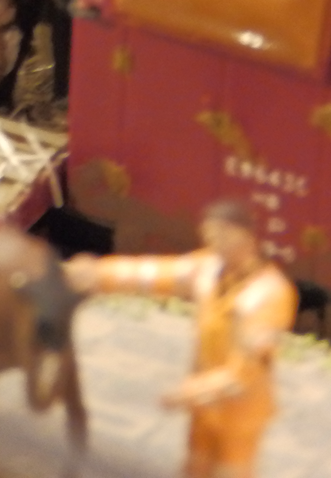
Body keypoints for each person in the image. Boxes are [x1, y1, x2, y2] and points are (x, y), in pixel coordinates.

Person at [63, 201, 298, 478]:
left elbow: (249, 369)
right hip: (204, 406)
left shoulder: (269, 294)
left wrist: (195, 390)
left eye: (223, 236)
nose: (216, 244)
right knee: (196, 466)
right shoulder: (208, 268)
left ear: (247, 237)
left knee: (231, 470)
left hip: (240, 412)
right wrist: (98, 274)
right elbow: (155, 274)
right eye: (210, 237)